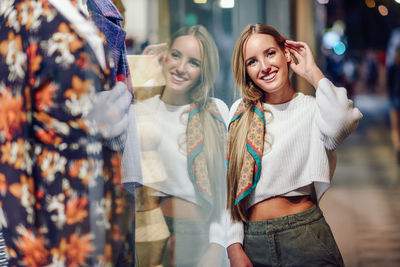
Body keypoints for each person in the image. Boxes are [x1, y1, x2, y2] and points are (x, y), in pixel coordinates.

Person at [0, 0, 134, 265]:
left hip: (100, 210)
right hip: (56, 216)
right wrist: (29, 253)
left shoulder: (88, 12)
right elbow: (10, 143)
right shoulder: (22, 18)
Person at [225, 24, 363, 266]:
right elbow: (229, 188)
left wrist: (312, 72)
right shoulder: (241, 113)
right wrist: (233, 246)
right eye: (252, 62)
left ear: (286, 53)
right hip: (253, 240)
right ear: (246, 71)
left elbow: (344, 120)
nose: (265, 67)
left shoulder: (313, 109)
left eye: (270, 53)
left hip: (305, 236)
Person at [124, 25, 229, 266]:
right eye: (176, 55)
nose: (181, 68)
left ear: (204, 71)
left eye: (194, 63)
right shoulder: (141, 108)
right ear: (165, 55)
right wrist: (148, 61)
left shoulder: (214, 112)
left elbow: (224, 192)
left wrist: (217, 246)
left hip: (195, 235)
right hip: (143, 231)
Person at [387, 47, 400, 165]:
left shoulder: (392, 68)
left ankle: (398, 148)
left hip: (394, 99)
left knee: (395, 127)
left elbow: (388, 85)